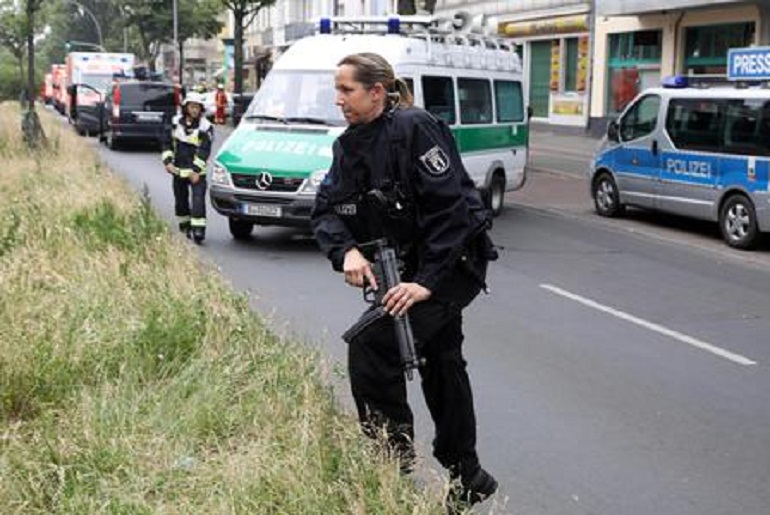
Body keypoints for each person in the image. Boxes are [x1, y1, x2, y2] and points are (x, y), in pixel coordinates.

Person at [311, 52, 498, 512]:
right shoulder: (348, 145)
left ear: (377, 91)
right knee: (443, 361)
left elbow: (452, 214)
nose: (338, 100)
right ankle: (468, 475)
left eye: (346, 90)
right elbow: (324, 210)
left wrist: (426, 284)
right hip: (406, 267)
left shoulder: (415, 128)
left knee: (372, 345)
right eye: (336, 90)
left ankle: (388, 465)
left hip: (451, 266)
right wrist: (346, 251)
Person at [161, 91, 214, 244]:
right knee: (181, 202)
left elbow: (204, 150)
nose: (195, 110)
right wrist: (168, 162)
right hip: (178, 171)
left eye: (197, 107)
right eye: (192, 107)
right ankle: (185, 227)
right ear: (186, 107)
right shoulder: (175, 123)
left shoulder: (206, 126)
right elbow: (166, 143)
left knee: (198, 201)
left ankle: (199, 231)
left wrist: (196, 171)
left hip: (197, 173)